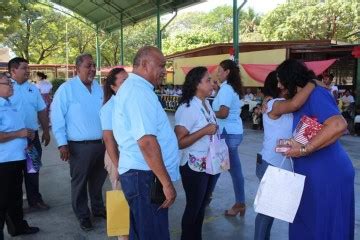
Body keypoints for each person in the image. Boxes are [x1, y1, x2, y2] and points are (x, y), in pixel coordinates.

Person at [277, 59, 355, 240]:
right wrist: (295, 144)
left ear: (291, 79)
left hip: (327, 173)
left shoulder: (317, 94)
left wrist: (304, 149)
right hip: (311, 173)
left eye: (281, 80)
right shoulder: (302, 98)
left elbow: (338, 124)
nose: (279, 85)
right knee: (308, 224)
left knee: (323, 227)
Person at [112, 46, 179, 240]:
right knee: (153, 234)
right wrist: (166, 183)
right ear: (144, 64)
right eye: (161, 65)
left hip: (142, 175)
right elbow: (147, 142)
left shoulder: (138, 90)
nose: (164, 71)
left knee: (142, 233)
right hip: (144, 176)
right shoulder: (137, 92)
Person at [254, 71, 316, 240]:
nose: (284, 85)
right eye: (281, 82)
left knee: (271, 211)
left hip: (279, 164)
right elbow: (295, 104)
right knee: (266, 213)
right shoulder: (274, 104)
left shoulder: (276, 102)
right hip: (271, 164)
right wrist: (313, 83)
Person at [51, 53, 108, 231]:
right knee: (80, 183)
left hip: (101, 144)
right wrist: (62, 144)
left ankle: (98, 209)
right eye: (88, 66)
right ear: (77, 69)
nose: (92, 69)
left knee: (98, 181)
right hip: (79, 147)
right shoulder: (67, 89)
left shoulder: (99, 88)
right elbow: (57, 117)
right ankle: (83, 215)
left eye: (94, 66)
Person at [174, 67, 218, 240]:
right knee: (194, 207)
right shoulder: (188, 108)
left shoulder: (206, 103)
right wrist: (205, 131)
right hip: (193, 165)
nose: (212, 83)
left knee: (200, 208)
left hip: (208, 164)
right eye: (208, 80)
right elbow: (180, 141)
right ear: (196, 84)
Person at [8, 57, 51, 211]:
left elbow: (41, 110)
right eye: (24, 68)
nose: (28, 71)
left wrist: (46, 131)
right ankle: (15, 206)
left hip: (32, 139)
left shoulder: (33, 89)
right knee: (14, 175)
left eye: (28, 68)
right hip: (11, 140)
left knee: (32, 170)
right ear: (13, 71)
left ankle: (35, 199)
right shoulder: (6, 88)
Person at [0, 72, 39, 238]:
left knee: (15, 197)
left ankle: (18, 227)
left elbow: (14, 128)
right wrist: (19, 134)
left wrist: (26, 134)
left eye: (10, 83)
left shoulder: (9, 103)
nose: (11, 86)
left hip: (17, 158)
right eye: (7, 83)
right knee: (2, 201)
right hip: (4, 162)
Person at [211, 59, 245, 216]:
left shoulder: (225, 89)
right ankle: (239, 202)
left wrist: (208, 114)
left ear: (227, 72)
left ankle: (240, 203)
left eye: (220, 70)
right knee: (220, 166)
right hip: (232, 131)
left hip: (227, 133)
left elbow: (223, 113)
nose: (217, 73)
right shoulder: (230, 88)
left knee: (223, 167)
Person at [99, 68, 129, 240]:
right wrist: (117, 166)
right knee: (121, 200)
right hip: (116, 156)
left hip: (128, 156)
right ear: (113, 86)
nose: (128, 84)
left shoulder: (126, 102)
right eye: (123, 81)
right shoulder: (109, 107)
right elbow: (109, 140)